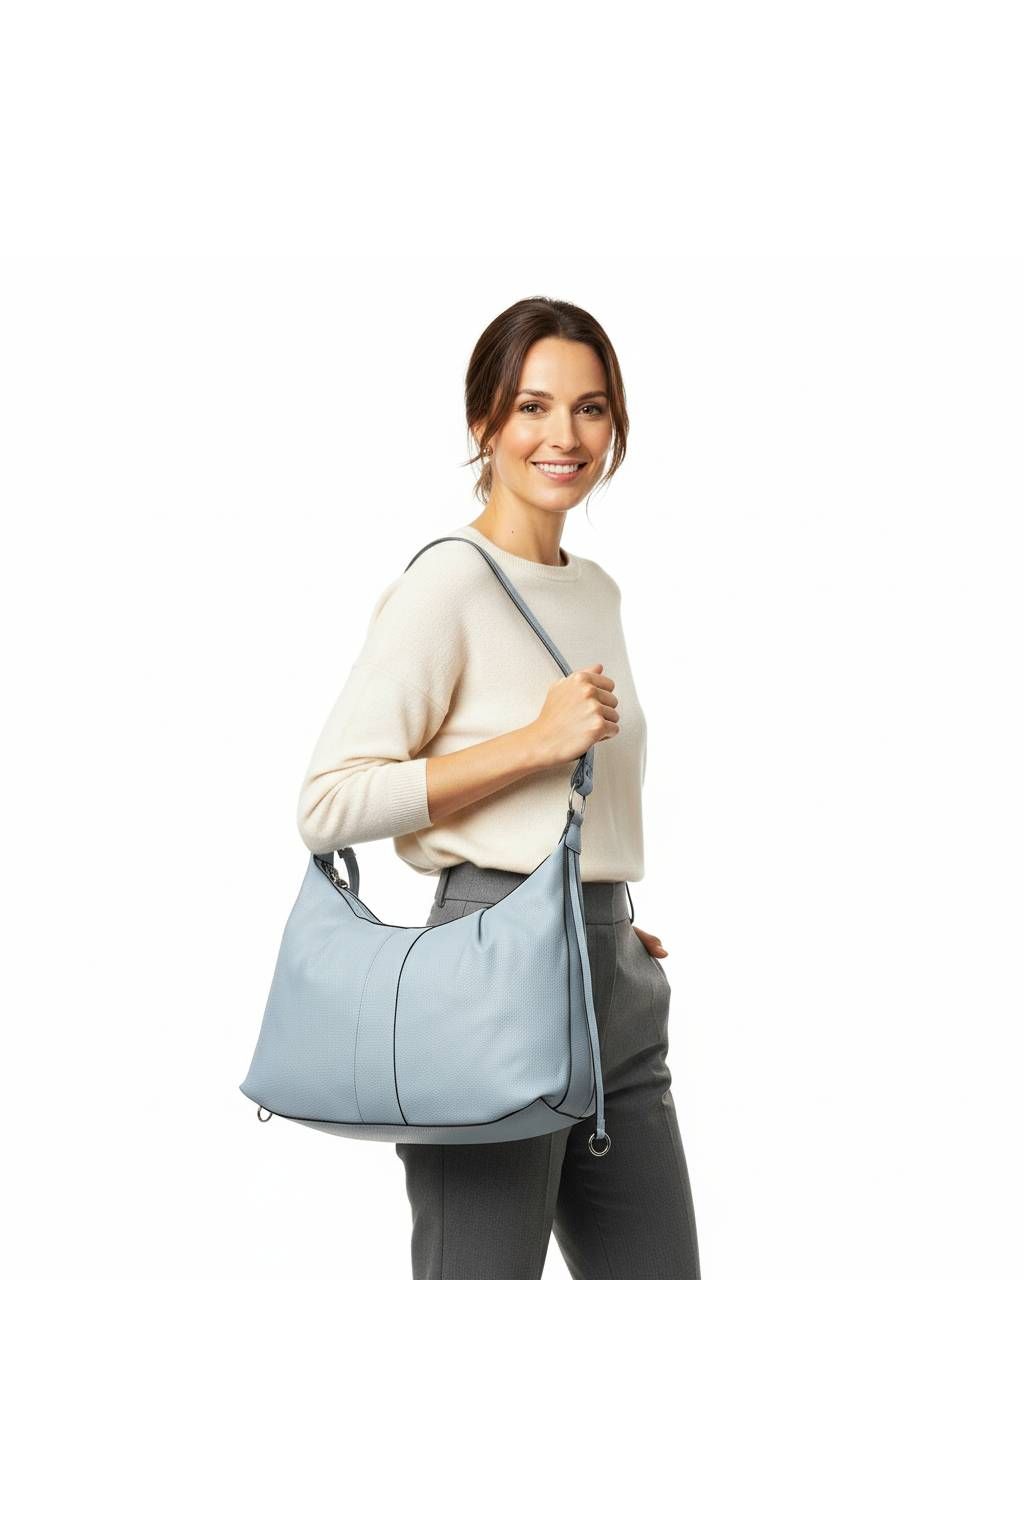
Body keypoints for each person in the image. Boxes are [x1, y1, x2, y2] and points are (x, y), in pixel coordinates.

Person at [297, 296, 701, 1280]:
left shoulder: (595, 589)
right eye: (532, 407)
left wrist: (596, 918)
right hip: (486, 992)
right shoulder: (450, 583)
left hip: (611, 988)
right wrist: (531, 745)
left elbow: (584, 808)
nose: (565, 436)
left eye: (591, 408)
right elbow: (330, 803)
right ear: (483, 421)